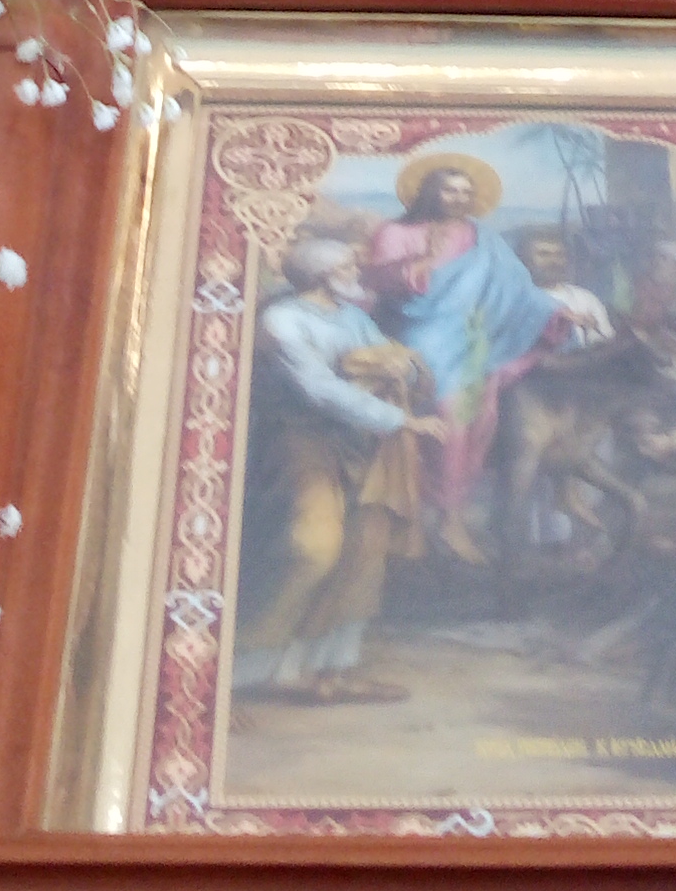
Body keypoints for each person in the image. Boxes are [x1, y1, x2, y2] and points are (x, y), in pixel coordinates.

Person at [359, 153, 604, 557]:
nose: (458, 199)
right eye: (449, 190)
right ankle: (443, 516)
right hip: (419, 332)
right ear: (429, 192)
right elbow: (377, 278)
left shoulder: (479, 236)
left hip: (472, 334)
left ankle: (455, 514)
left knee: (482, 411)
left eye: (465, 192)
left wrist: (558, 312)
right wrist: (421, 261)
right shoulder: (395, 232)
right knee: (450, 410)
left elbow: (516, 289)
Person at [233, 232, 427, 704]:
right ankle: (240, 672)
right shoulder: (281, 320)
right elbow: (317, 389)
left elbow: (401, 360)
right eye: (345, 269)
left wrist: (401, 369)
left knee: (365, 549)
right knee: (313, 547)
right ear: (320, 275)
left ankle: (328, 671)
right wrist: (398, 418)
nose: (355, 274)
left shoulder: (353, 317)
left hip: (357, 442)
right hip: (297, 441)